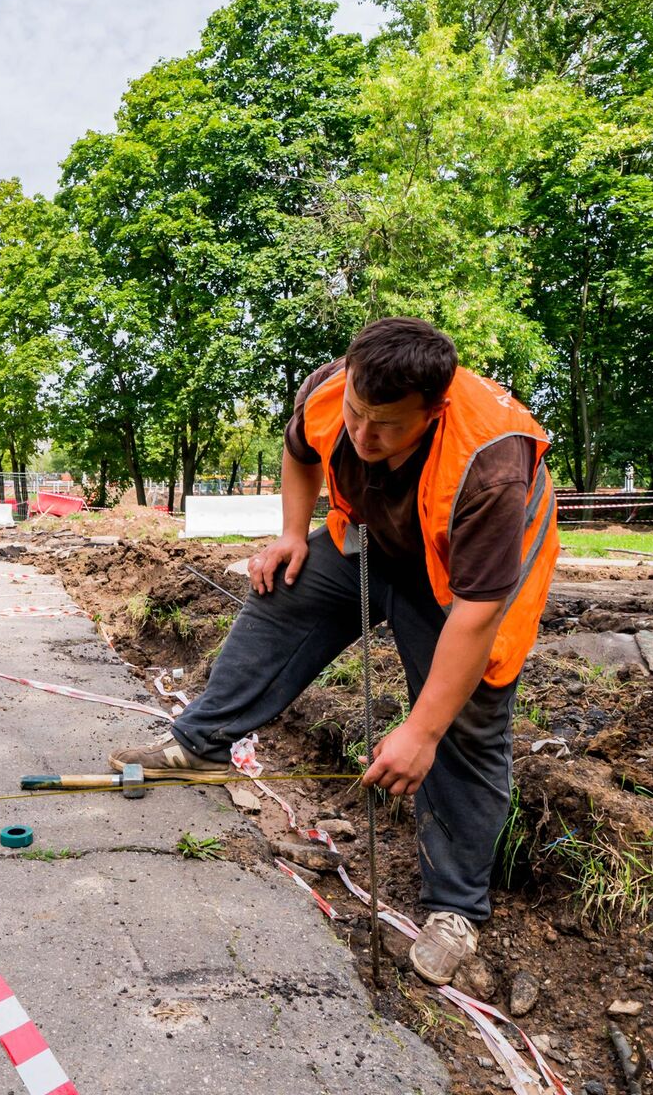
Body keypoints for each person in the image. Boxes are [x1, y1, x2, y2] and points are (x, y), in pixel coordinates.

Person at [110, 318, 558, 984]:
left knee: (467, 716)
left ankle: (456, 907)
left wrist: (421, 731)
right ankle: (198, 745)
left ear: (433, 411)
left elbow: (476, 615)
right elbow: (299, 450)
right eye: (357, 412)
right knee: (283, 592)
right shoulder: (330, 392)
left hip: (468, 579)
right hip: (376, 535)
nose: (362, 434)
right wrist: (293, 532)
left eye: (387, 425)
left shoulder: (489, 464)